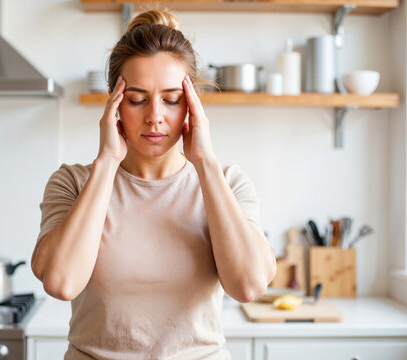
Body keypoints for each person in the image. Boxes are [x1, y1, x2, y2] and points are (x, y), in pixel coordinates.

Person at [31, 9, 276, 360]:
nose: (155, 116)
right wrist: (106, 162)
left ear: (192, 105)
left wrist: (205, 164)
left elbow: (249, 286)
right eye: (137, 99)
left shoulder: (228, 183)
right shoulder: (73, 182)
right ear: (115, 103)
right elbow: (61, 282)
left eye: (172, 100)